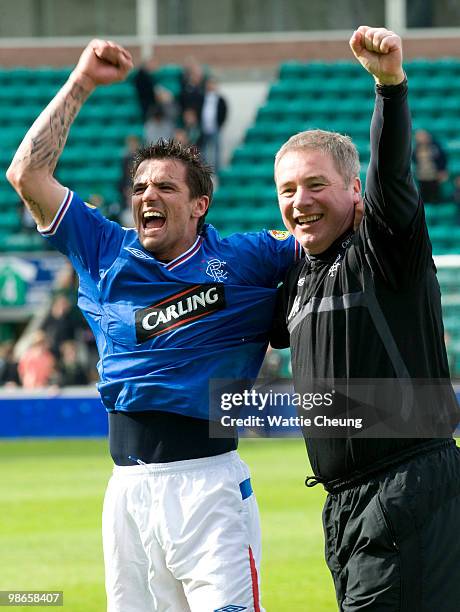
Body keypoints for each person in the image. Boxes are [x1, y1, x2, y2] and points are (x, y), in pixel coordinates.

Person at [6, 39, 302, 612]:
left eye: (166, 187)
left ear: (199, 205)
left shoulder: (246, 258)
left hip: (209, 486)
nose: (148, 195)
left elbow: (319, 236)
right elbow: (26, 173)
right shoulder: (103, 252)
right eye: (140, 187)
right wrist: (83, 81)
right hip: (128, 495)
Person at [271, 27, 460, 610]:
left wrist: (389, 88)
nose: (300, 200)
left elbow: (393, 175)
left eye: (315, 184)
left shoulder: (384, 246)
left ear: (355, 191)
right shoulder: (300, 277)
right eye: (288, 189)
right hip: (347, 506)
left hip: (406, 489)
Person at [199, 76, 228, 174]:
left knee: (216, 151)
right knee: (204, 151)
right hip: (203, 128)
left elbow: (224, 112)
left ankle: (216, 171)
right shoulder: (202, 98)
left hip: (215, 128)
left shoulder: (220, 99)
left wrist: (220, 124)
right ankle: (205, 170)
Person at [413, 128, 448, 203]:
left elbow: (442, 158)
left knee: (435, 196)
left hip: (434, 175)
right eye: (418, 136)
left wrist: (442, 170)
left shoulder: (435, 146)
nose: (420, 138)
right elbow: (414, 160)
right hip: (422, 176)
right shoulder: (416, 148)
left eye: (422, 136)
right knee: (424, 196)